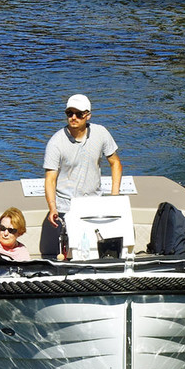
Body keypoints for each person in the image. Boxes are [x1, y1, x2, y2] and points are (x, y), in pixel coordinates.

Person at [40, 94, 122, 260]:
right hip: (67, 207)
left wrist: (114, 196)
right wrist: (52, 207)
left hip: (94, 203)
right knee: (73, 254)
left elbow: (116, 163)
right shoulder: (56, 143)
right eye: (69, 113)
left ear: (88, 115)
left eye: (78, 114)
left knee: (98, 253)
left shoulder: (101, 133)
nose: (73, 118)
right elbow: (50, 179)